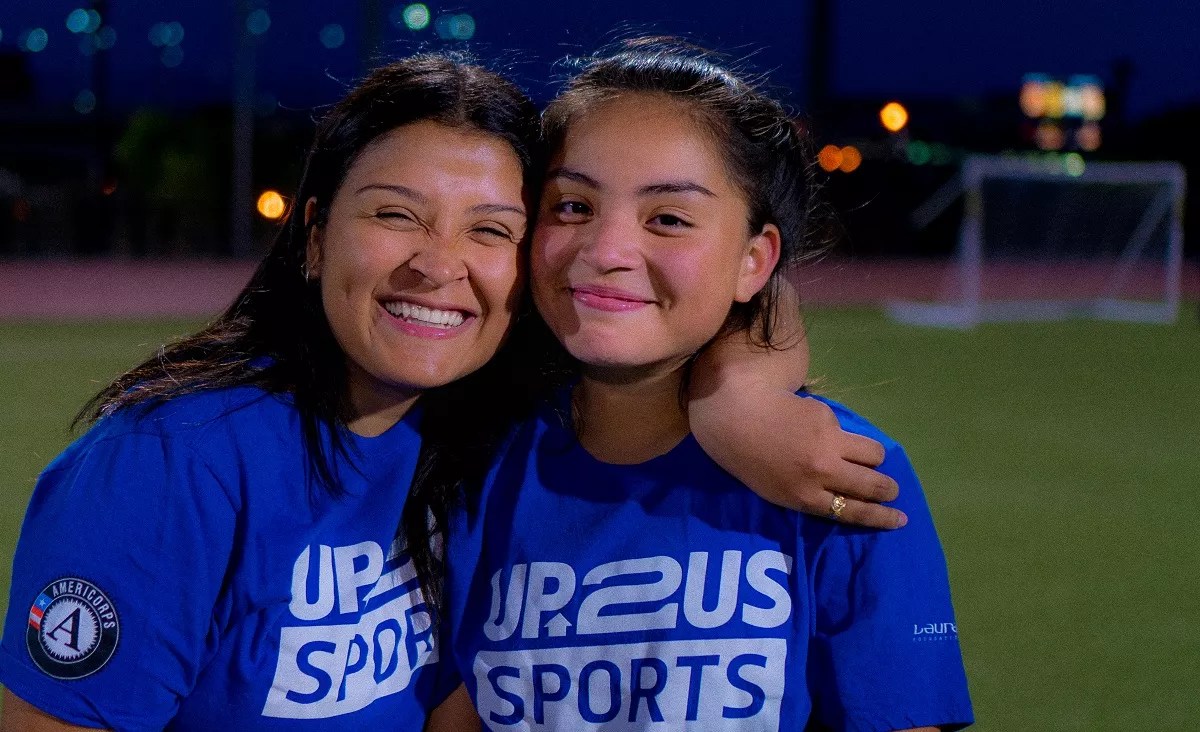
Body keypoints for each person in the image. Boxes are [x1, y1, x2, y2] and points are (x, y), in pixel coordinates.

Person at [0, 53, 900, 731]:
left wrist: (738, 399)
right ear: (314, 238)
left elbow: (719, 283)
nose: (439, 267)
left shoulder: (487, 433)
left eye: (493, 229)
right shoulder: (171, 463)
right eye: (395, 214)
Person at [439, 39, 974, 731]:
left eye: (668, 218)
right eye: (571, 206)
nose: (604, 252)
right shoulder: (466, 463)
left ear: (755, 260)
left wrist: (742, 396)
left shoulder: (843, 474)